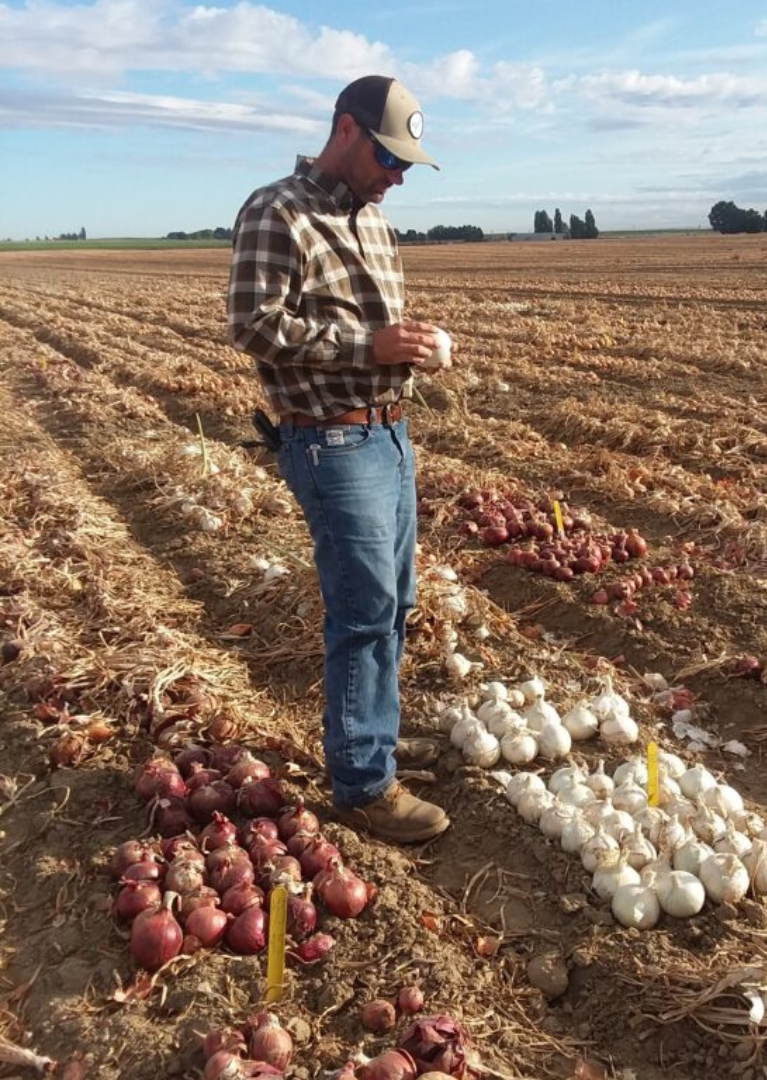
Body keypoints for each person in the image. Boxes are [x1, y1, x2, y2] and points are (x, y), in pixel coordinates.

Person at [227, 75, 450, 843]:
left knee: (398, 602)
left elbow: (378, 333)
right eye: (390, 159)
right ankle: (362, 783)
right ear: (346, 131)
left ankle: (375, 736)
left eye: (408, 166)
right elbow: (253, 325)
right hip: (330, 439)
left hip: (389, 431)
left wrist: (415, 350)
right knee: (362, 615)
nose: (397, 176)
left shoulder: (377, 226)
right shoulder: (277, 211)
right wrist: (371, 346)